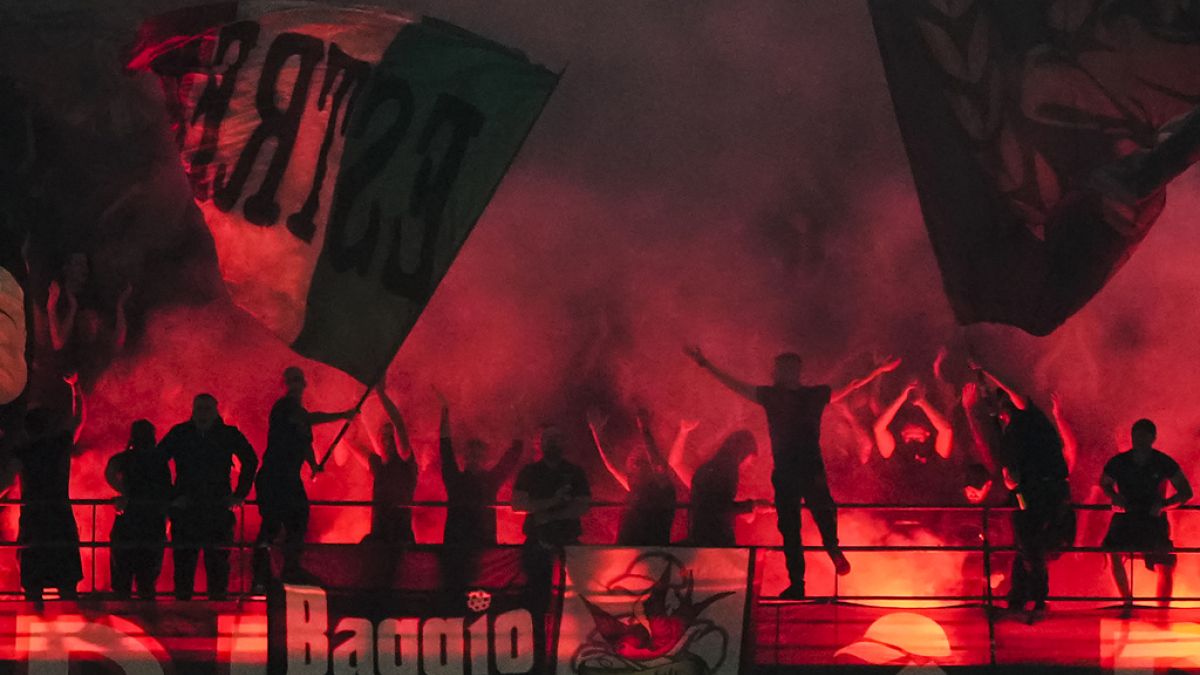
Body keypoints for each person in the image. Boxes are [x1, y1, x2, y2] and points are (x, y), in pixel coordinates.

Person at [686, 346, 900, 599]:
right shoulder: (800, 395)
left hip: (793, 469)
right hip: (801, 468)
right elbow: (850, 385)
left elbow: (736, 385)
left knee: (800, 523)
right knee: (808, 518)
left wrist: (706, 365)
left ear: (784, 372)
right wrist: (878, 370)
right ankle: (817, 564)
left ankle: (811, 571)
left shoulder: (786, 395)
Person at [974, 365, 1073, 619]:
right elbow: (989, 405)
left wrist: (986, 366)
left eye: (1005, 405)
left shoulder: (1030, 418)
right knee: (1023, 547)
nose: (1003, 411)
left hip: (1047, 490)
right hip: (1023, 493)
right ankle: (1018, 600)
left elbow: (1015, 393)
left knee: (1034, 547)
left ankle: (1039, 600)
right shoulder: (1006, 430)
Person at [252, 367, 355, 591]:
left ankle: (289, 569)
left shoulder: (298, 416)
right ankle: (260, 578)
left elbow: (305, 441)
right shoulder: (284, 407)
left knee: (298, 520)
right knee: (271, 525)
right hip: (274, 475)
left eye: (298, 380)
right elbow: (308, 419)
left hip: (288, 477)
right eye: (291, 380)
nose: (295, 384)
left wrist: (313, 465)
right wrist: (343, 415)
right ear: (285, 384)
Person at [160, 393, 258, 600]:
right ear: (193, 410)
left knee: (217, 565)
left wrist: (240, 494)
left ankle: (215, 608)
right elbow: (157, 462)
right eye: (199, 408)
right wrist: (171, 495)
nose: (202, 413)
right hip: (193, 508)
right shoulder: (182, 433)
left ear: (215, 411)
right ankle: (185, 609)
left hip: (214, 507)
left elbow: (251, 460)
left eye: (206, 409)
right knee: (185, 564)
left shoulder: (222, 434)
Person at [512, 425, 591, 670]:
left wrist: (546, 513)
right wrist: (554, 503)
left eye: (557, 438)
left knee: (579, 603)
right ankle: (537, 658)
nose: (553, 442)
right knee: (536, 602)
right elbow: (517, 503)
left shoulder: (575, 472)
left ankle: (577, 654)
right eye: (548, 438)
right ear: (540, 443)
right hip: (538, 544)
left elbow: (583, 505)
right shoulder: (530, 471)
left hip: (570, 547)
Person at [1100, 419, 1192, 618]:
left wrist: (1165, 505)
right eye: (1136, 436)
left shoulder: (1163, 462)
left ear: (1153, 438)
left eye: (1144, 436)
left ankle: (1162, 612)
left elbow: (1186, 492)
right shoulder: (1119, 461)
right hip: (1127, 516)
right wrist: (1114, 496)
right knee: (1112, 550)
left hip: (1153, 518)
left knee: (1165, 562)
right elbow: (1105, 482)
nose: (1139, 440)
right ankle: (1127, 601)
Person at [437, 389, 523, 590]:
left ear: (484, 458)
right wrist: (445, 411)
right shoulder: (455, 478)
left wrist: (517, 412)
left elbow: (515, 451)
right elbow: (445, 447)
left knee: (482, 596)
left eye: (478, 454)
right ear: (465, 457)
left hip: (483, 547)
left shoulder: (491, 480)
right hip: (455, 547)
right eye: (471, 454)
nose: (474, 458)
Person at [15, 373, 84, 604]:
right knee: (66, 583)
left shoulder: (23, 451)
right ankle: (72, 620)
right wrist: (75, 388)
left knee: (33, 585)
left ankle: (34, 616)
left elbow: (6, 478)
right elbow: (78, 419)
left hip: (34, 519)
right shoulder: (59, 444)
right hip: (59, 516)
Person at [587, 408, 681, 546]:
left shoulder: (662, 486)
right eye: (633, 457)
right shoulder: (636, 486)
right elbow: (611, 464)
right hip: (627, 550)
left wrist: (644, 430)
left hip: (651, 550)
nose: (633, 458)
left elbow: (657, 463)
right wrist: (597, 433)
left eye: (639, 457)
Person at [105, 419, 171, 600]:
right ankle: (149, 620)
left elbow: (110, 471)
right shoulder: (159, 460)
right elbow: (166, 491)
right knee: (147, 582)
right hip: (152, 523)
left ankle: (123, 615)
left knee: (123, 579)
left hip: (130, 522)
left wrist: (122, 492)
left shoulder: (126, 459)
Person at [353, 380, 418, 544]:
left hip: (401, 536)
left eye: (391, 437)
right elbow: (350, 443)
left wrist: (381, 394)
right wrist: (348, 417)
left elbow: (399, 426)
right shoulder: (377, 464)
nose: (387, 441)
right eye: (384, 436)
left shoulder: (405, 460)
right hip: (379, 535)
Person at [686, 430, 756, 547]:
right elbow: (719, 508)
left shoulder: (709, 468)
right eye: (749, 461)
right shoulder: (727, 471)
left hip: (701, 537)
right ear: (742, 452)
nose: (748, 466)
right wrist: (753, 505)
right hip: (715, 541)